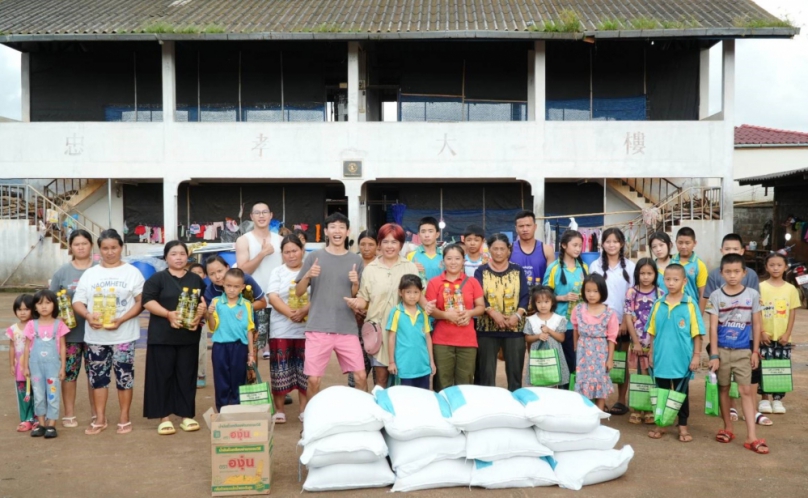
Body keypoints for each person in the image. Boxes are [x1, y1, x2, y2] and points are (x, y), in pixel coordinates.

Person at [73, 229, 144, 435]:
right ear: (99, 250)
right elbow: (78, 300)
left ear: (121, 248)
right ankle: (100, 418)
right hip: (96, 336)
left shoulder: (132, 272)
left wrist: (122, 319)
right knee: (98, 378)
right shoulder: (91, 273)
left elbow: (141, 302)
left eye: (114, 247)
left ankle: (124, 417)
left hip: (124, 335)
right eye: (105, 248)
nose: (110, 252)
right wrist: (88, 316)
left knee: (124, 377)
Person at [296, 212, 366, 397]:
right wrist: (308, 275)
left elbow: (357, 297)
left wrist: (356, 283)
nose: (337, 231)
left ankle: (364, 418)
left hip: (347, 327)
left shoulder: (356, 260)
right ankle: (312, 420)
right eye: (333, 227)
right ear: (326, 232)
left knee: (360, 376)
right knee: (313, 379)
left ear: (348, 231)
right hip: (318, 327)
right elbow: (299, 292)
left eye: (341, 227)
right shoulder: (314, 258)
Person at [142, 241, 207, 435]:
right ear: (166, 257)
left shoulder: (196, 280)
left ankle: (186, 415)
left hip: (188, 336)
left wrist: (200, 315)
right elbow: (147, 301)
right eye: (173, 254)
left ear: (188, 256)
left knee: (186, 376)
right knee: (162, 376)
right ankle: (164, 417)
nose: (178, 257)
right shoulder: (157, 279)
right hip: (162, 336)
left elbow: (203, 303)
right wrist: (168, 314)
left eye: (182, 253)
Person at [345, 223, 419, 388]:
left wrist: (430, 307)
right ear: (380, 244)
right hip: (379, 332)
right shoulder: (371, 269)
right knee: (382, 381)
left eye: (394, 242)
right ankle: (381, 412)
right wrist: (356, 302)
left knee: (404, 380)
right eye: (385, 242)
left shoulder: (410, 267)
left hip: (404, 332)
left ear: (401, 244)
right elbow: (364, 299)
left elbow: (419, 296)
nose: (390, 246)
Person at [706, 254, 767, 454]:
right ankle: (728, 428)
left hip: (743, 351)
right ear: (721, 273)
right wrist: (714, 355)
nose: (732, 276)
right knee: (723, 389)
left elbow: (757, 324)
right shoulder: (716, 296)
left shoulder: (752, 295)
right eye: (728, 272)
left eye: (736, 272)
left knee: (746, 392)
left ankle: (752, 436)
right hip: (722, 352)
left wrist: (755, 351)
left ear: (744, 273)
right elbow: (713, 328)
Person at [700, 233, 761, 423]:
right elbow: (711, 318)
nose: (732, 275)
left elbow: (756, 318)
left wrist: (755, 349)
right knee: (724, 384)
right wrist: (713, 351)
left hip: (745, 341)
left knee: (747, 382)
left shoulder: (751, 282)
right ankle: (730, 416)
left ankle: (752, 415)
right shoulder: (716, 288)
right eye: (728, 249)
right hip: (722, 342)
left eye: (736, 249)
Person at [646, 264, 705, 442]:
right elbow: (652, 332)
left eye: (675, 279)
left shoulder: (690, 304)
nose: (671, 283)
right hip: (661, 357)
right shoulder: (658, 304)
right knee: (662, 392)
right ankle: (662, 424)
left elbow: (697, 333)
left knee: (681, 393)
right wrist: (650, 353)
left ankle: (683, 427)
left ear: (684, 281)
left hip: (682, 358)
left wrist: (696, 355)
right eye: (668, 279)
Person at [49, 229, 96, 428]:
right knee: (69, 373)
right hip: (70, 334)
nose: (81, 247)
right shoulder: (62, 272)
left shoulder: (99, 269)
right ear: (71, 247)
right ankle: (69, 414)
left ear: (91, 245)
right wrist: (56, 316)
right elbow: (50, 301)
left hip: (97, 331)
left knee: (95, 374)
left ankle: (97, 413)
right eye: (76, 244)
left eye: (84, 243)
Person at [589, 228, 635, 416]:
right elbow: (593, 294)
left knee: (620, 361)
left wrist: (625, 320)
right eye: (608, 241)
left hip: (623, 322)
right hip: (600, 322)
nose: (611, 245)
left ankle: (621, 399)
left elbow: (631, 297)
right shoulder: (595, 266)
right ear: (602, 244)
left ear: (622, 244)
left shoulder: (630, 267)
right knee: (600, 362)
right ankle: (601, 400)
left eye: (615, 241)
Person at [426, 244, 485, 390]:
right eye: (449, 258)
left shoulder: (472, 282)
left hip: (467, 341)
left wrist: (470, 313)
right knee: (442, 381)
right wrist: (446, 315)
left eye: (457, 258)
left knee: (465, 383)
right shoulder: (434, 283)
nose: (453, 262)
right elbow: (430, 310)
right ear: (443, 261)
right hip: (442, 341)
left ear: (463, 261)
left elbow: (481, 307)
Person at [474, 234, 529, 391]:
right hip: (487, 329)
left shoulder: (517, 270)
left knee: (515, 375)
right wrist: (493, 313)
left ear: (508, 250)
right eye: (495, 249)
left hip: (514, 328)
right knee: (486, 375)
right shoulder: (481, 271)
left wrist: (516, 316)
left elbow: (525, 296)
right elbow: (478, 296)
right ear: (489, 250)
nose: (498, 252)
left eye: (502, 249)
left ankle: (515, 409)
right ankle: (490, 409)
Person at [267, 235, 310, 423]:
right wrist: (290, 314)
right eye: (287, 252)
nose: (291, 255)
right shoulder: (277, 272)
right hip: (281, 328)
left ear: (302, 250)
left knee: (305, 370)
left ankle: (304, 409)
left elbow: (318, 295)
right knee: (279, 369)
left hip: (306, 328)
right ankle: (279, 410)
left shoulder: (311, 271)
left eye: (295, 250)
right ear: (282, 254)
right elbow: (273, 297)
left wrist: (303, 312)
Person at [236, 201, 282, 360]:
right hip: (255, 301)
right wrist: (262, 254)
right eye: (257, 212)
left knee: (280, 350)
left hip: (279, 302)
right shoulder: (244, 240)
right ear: (251, 217)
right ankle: (248, 382)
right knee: (251, 349)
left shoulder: (281, 240)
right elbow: (242, 272)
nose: (261, 215)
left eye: (265, 212)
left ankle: (279, 384)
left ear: (271, 216)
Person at [207, 268, 256, 412]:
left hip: (240, 347)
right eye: (229, 285)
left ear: (242, 287)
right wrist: (209, 314)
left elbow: (249, 330)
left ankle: (236, 409)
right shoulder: (216, 302)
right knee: (221, 379)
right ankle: (222, 409)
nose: (232, 290)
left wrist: (251, 354)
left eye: (236, 287)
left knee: (238, 379)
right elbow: (212, 326)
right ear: (223, 284)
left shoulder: (246, 304)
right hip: (220, 347)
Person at [22, 290, 69, 438]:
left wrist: (62, 367)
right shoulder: (31, 325)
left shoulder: (59, 324)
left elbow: (62, 347)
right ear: (35, 307)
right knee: (39, 395)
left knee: (53, 395)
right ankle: (41, 423)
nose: (44, 307)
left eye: (48, 303)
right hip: (35, 366)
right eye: (40, 303)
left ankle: (51, 425)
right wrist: (25, 366)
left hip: (53, 366)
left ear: (54, 305)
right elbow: (26, 347)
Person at [758, 252, 800, 415]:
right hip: (765, 336)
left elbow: (792, 313)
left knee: (780, 367)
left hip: (783, 337)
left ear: (786, 267)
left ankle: (777, 400)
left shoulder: (790, 289)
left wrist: (787, 333)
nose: (775, 268)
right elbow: (757, 312)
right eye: (772, 265)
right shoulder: (761, 287)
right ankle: (764, 399)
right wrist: (761, 331)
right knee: (764, 366)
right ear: (766, 267)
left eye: (779, 265)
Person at [624, 258, 665, 425]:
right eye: (642, 273)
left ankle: (649, 409)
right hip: (636, 341)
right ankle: (635, 409)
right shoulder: (631, 293)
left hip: (654, 343)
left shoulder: (660, 294)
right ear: (637, 274)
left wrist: (653, 345)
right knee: (635, 375)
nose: (646, 277)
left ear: (655, 274)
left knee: (650, 376)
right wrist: (636, 342)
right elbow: (628, 317)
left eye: (650, 273)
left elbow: (660, 321)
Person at [543, 230, 588, 374]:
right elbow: (543, 296)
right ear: (563, 245)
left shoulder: (584, 268)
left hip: (581, 325)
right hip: (560, 325)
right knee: (561, 365)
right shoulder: (554, 268)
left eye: (580, 246)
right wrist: (562, 298)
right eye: (574, 245)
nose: (577, 249)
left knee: (577, 363)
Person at [572, 274, 618, 411]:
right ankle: (585, 412)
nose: (591, 294)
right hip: (583, 352)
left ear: (602, 291)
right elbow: (575, 329)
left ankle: (599, 413)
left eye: (595, 291)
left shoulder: (609, 313)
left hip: (600, 352)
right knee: (583, 381)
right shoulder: (578, 309)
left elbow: (611, 338)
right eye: (588, 291)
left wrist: (610, 359)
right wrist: (576, 347)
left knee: (600, 381)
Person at [387, 275, 436, 389]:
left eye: (416, 292)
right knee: (405, 399)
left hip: (423, 367)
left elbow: (428, 337)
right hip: (404, 367)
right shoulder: (396, 312)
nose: (412, 296)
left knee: (422, 397)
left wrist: (431, 362)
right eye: (408, 292)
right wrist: (391, 362)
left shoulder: (423, 313)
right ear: (400, 292)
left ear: (421, 293)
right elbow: (391, 337)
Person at [348, 229, 379, 389]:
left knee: (379, 372)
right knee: (357, 370)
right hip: (355, 323)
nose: (366, 248)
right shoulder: (352, 264)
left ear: (377, 246)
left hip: (377, 323)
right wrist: (354, 308)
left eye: (371, 244)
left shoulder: (382, 265)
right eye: (363, 244)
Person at [523, 286, 569, 388]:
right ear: (534, 304)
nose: (543, 305)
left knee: (553, 381)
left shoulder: (558, 319)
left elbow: (561, 338)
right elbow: (527, 338)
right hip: (538, 357)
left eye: (546, 302)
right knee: (538, 381)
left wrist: (549, 331)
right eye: (539, 302)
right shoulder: (531, 320)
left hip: (554, 357)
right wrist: (538, 336)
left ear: (552, 302)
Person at [7, 294, 36, 432]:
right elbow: (12, 347)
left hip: (35, 365)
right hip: (20, 366)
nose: (22, 312)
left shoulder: (36, 326)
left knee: (37, 391)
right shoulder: (13, 329)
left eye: (26, 309)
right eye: (19, 309)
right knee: (23, 392)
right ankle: (26, 419)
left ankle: (38, 418)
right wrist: (12, 364)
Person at [510, 210, 555, 287]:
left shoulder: (547, 250)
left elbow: (551, 279)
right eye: (521, 226)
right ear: (516, 229)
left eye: (528, 225)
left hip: (539, 297)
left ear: (535, 227)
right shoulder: (509, 249)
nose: (525, 229)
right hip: (514, 297)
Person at [670, 227, 708, 311]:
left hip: (691, 309)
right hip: (671, 308)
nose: (683, 246)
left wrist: (699, 318)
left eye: (687, 243)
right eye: (680, 243)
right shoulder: (670, 261)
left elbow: (703, 294)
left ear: (694, 243)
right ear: (675, 243)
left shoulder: (699, 265)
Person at [188, 263, 209, 389]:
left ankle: (201, 375)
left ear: (205, 275)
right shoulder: (186, 288)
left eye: (200, 272)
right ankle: (189, 376)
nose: (197, 274)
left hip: (202, 323)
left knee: (201, 350)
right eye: (193, 272)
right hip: (188, 322)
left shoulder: (206, 288)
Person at [407, 217, 443, 286]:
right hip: (419, 296)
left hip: (441, 295)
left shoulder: (445, 255)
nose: (426, 235)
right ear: (419, 235)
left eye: (430, 231)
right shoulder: (411, 256)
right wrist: (411, 269)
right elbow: (406, 280)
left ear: (437, 234)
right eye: (423, 231)